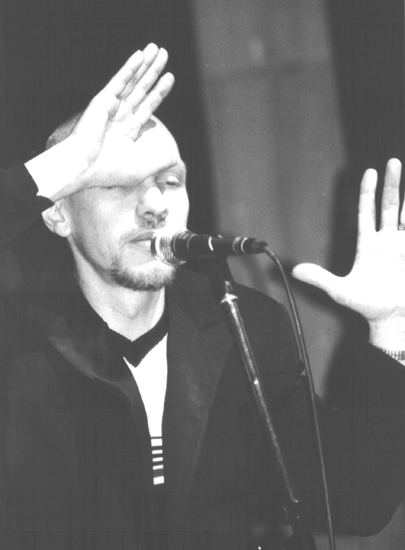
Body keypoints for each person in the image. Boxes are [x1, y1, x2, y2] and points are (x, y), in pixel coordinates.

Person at [0, 44, 404, 550]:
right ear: (57, 213)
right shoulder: (16, 339)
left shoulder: (245, 327)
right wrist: (54, 170)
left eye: (170, 181)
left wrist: (392, 326)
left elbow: (358, 502)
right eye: (115, 185)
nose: (154, 205)